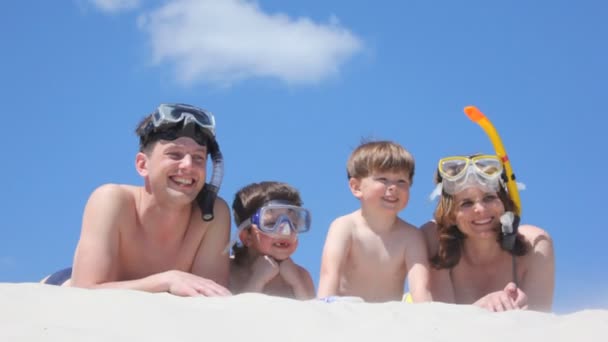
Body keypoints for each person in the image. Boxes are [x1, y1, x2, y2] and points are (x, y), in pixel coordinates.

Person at [42, 103, 232, 297]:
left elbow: (211, 296)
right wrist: (168, 279)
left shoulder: (212, 214)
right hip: (64, 292)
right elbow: (84, 290)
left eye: (199, 158)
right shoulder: (112, 200)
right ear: (142, 165)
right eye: (175, 154)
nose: (188, 165)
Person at [421, 154, 555, 312]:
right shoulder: (435, 240)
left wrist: (526, 309)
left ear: (504, 202)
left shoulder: (536, 244)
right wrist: (481, 308)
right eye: (466, 203)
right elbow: (439, 325)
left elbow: (539, 326)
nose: (481, 210)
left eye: (489, 198)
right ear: (450, 214)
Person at [317, 140, 432, 303]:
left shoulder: (411, 236)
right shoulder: (345, 227)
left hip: (388, 320)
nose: (393, 187)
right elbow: (329, 275)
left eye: (402, 181)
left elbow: (421, 289)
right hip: (346, 315)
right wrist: (325, 313)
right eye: (383, 179)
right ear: (356, 187)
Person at [228, 181, 315, 300]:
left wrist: (297, 283)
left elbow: (312, 315)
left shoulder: (301, 275)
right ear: (246, 236)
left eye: (293, 223)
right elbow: (233, 315)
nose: (285, 231)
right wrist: (258, 279)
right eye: (271, 223)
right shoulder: (228, 269)